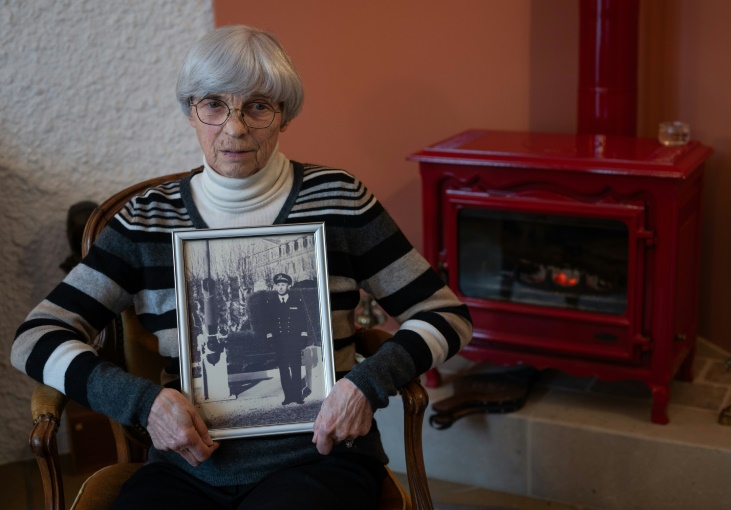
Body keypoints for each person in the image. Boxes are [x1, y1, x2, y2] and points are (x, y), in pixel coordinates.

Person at [11, 25, 473, 509]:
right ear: (190, 111)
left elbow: (446, 315)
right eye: (213, 105)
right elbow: (36, 338)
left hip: (319, 458)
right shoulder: (147, 221)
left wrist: (366, 384)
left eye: (257, 106)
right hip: (186, 466)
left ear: (284, 115)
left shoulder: (340, 201)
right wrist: (143, 403)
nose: (234, 129)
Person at [261, 272, 309, 405]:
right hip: (279, 342)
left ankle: (298, 396)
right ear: (275, 286)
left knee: (295, 368)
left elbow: (302, 320)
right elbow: (267, 322)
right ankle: (288, 396)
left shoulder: (296, 301)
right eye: (278, 285)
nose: (281, 287)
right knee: (283, 369)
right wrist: (269, 337)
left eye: (283, 284)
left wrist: (303, 335)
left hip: (294, 341)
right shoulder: (271, 303)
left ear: (288, 286)